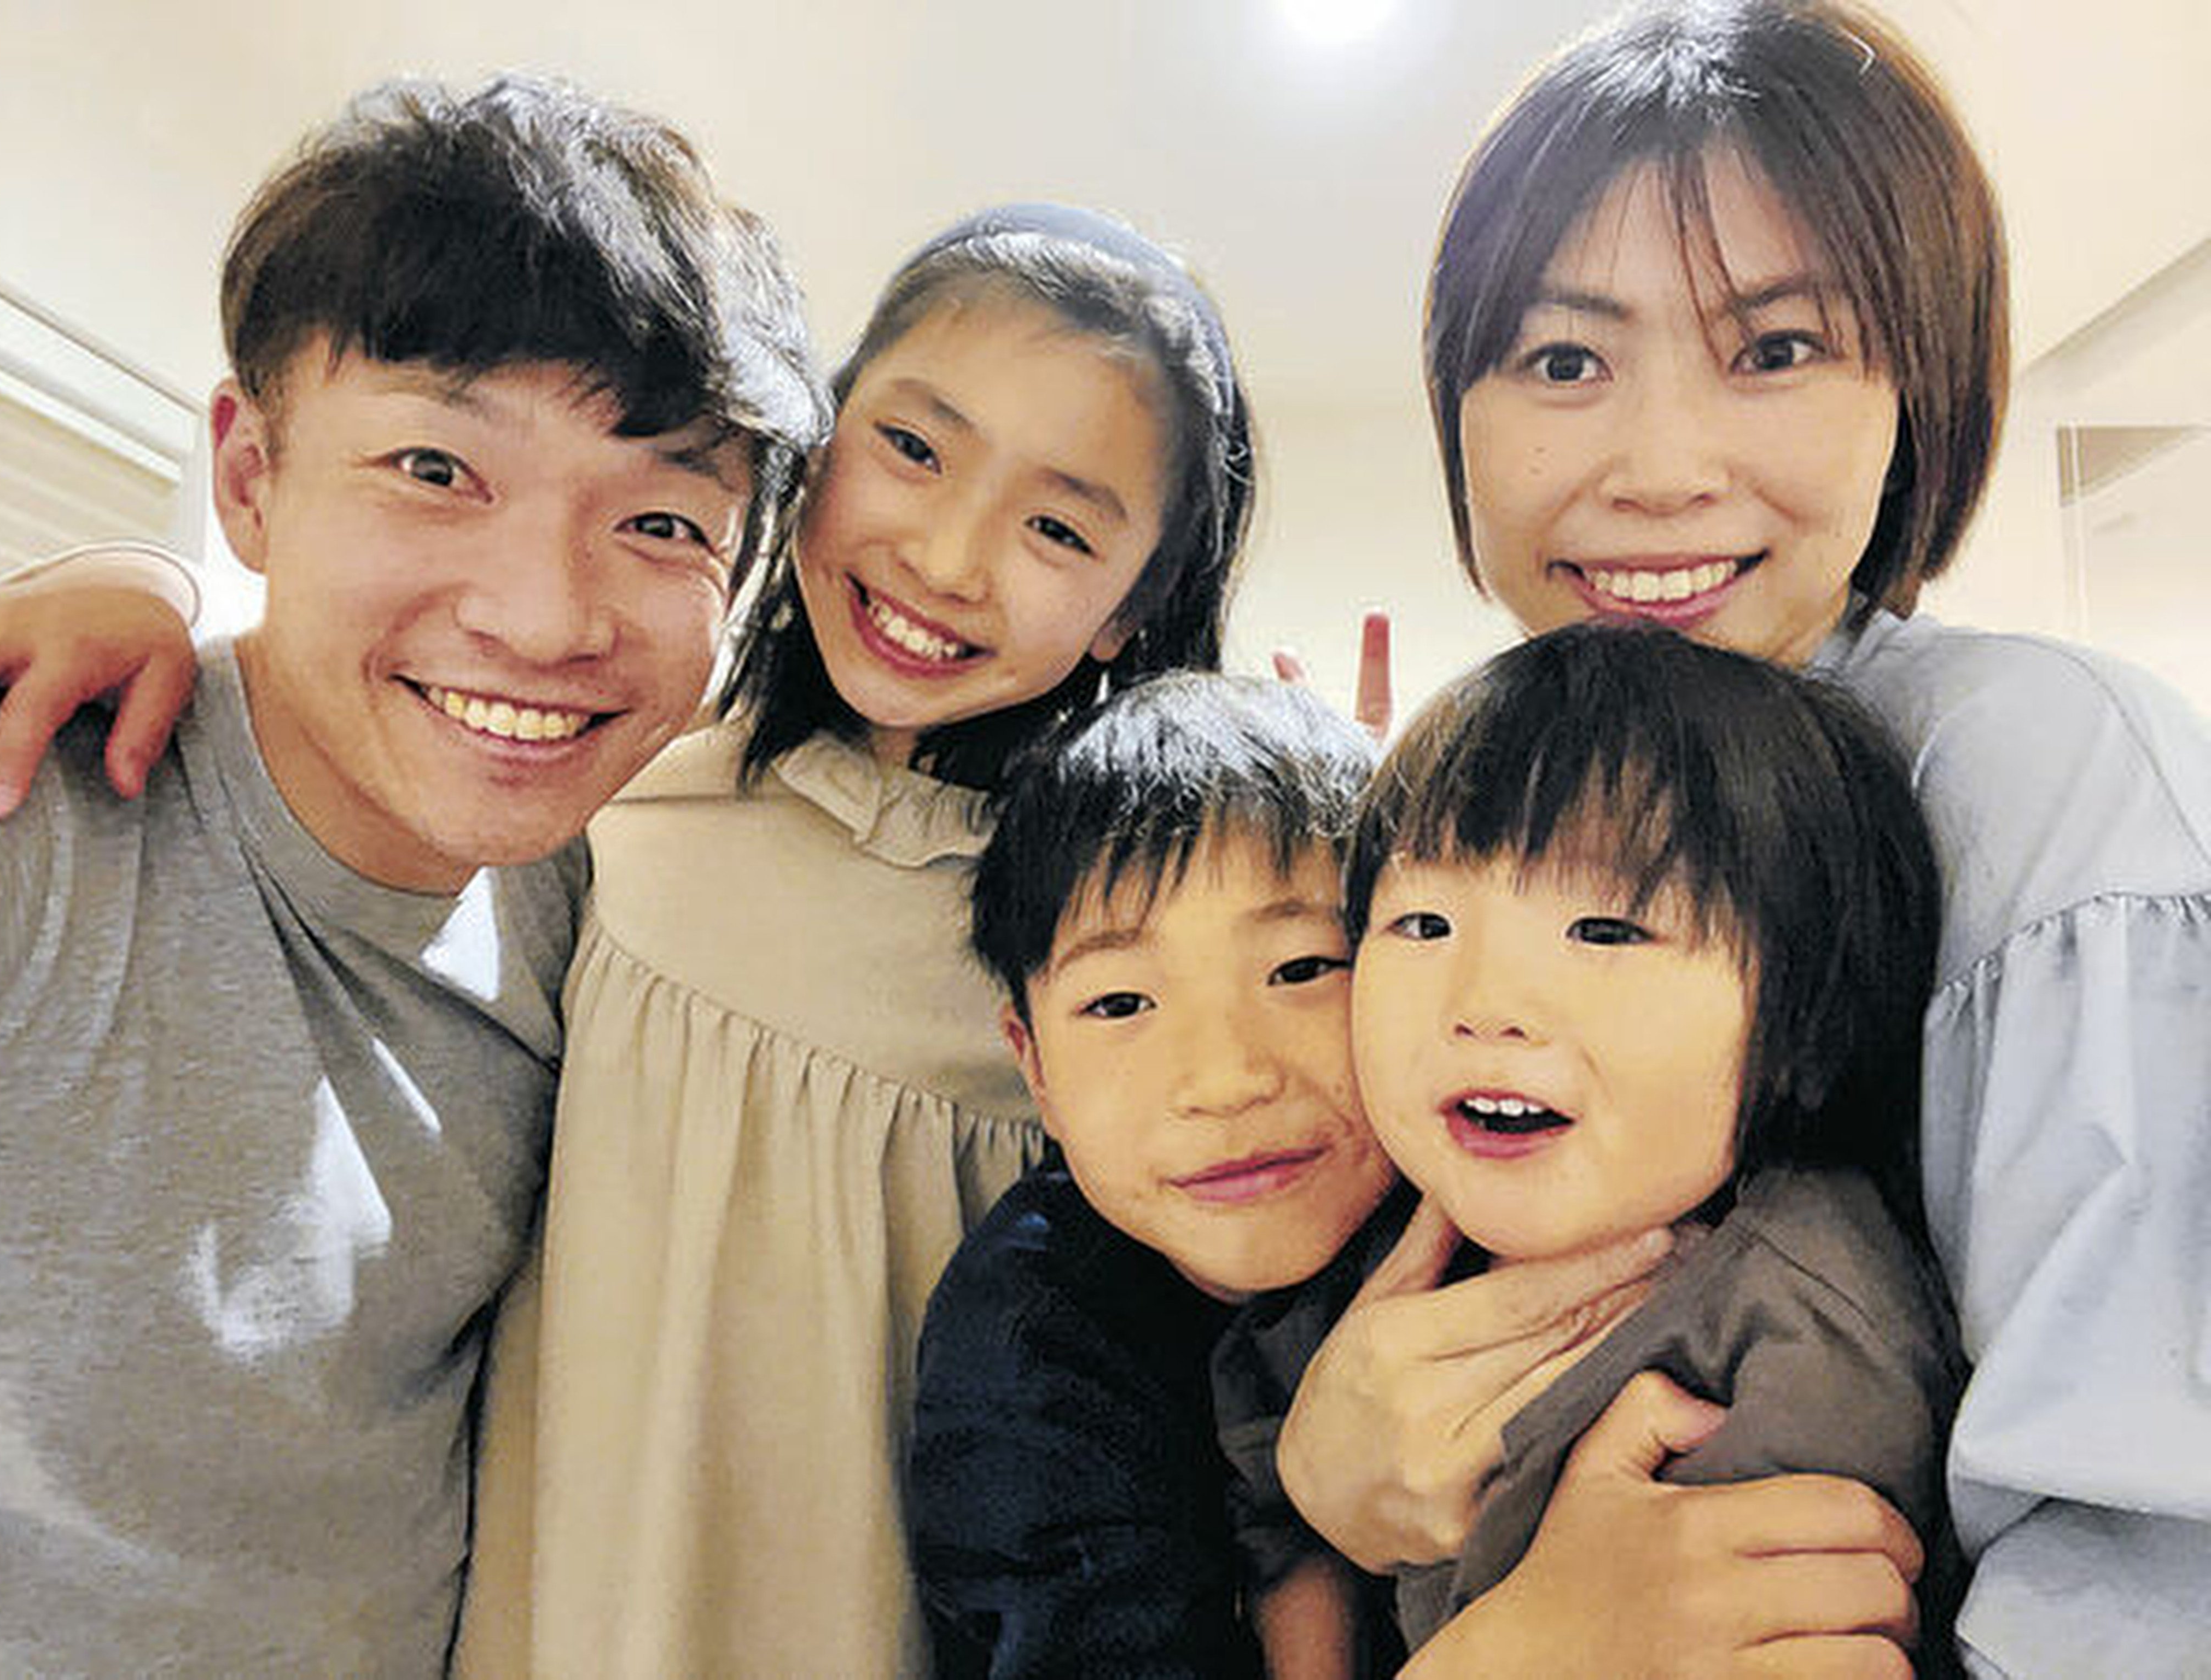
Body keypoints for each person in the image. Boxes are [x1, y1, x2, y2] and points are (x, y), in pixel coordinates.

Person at [1278, 2, 2211, 1672]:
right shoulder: (1487, 800)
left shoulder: (2041, 779)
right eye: (1565, 360)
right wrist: (1335, 1478)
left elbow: (2146, 1573)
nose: (1658, 467)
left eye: (1774, 350)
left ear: (1914, 388)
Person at [0, 74, 824, 1676]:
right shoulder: (21, 821)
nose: (546, 618)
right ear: (249, 477)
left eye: (659, 521)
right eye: (437, 471)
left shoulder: (617, 909)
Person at [450, 202, 1276, 1677]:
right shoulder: (615, 805)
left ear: (1128, 609)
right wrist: (140, 590)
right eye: (913, 448)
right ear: (817, 440)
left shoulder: (1117, 978)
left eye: (1059, 527)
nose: (952, 558)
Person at [1226, 622, 1969, 1669]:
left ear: (1803, 1025)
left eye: (1607, 933)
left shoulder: (1795, 1332)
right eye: (1424, 925)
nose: (1483, 1007)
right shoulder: (1370, 1239)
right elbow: (1263, 1523)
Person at [909, 671, 1399, 1677]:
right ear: (1035, 1069)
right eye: (1123, 1003)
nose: (1225, 1080)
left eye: (1303, 970)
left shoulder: (1487, 1208)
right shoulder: (1033, 1338)